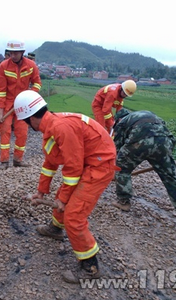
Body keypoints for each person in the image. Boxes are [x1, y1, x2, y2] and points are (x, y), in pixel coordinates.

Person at [14, 90, 118, 283]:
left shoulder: (61, 127)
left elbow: (73, 168)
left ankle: (90, 266)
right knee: (65, 193)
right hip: (89, 161)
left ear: (30, 119)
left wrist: (63, 200)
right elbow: (50, 162)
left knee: (74, 215)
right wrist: (41, 191)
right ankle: (56, 228)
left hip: (99, 164)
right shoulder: (51, 126)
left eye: (25, 122)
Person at [112, 108, 176, 228]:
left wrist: (120, 166)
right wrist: (165, 159)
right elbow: (170, 138)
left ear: (118, 119)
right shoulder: (150, 116)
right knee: (170, 179)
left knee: (122, 169)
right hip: (163, 144)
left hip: (138, 144)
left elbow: (117, 147)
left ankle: (124, 201)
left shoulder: (122, 122)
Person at [0, 40, 42, 169]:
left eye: (16, 52)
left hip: (24, 104)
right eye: (11, 52)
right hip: (8, 104)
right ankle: (4, 161)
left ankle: (18, 159)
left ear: (22, 52)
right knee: (4, 130)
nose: (13, 55)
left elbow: (37, 83)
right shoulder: (3, 66)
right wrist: (0, 112)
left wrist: (29, 94)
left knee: (22, 132)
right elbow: (1, 90)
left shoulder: (31, 65)